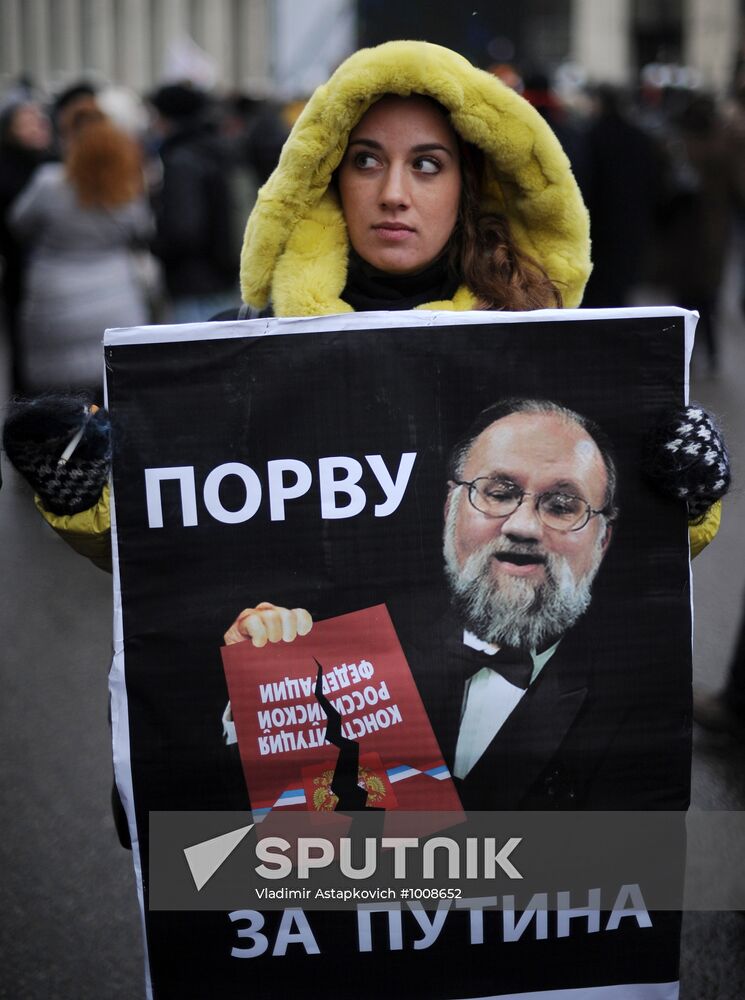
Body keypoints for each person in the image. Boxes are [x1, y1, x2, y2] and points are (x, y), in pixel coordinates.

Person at [1, 41, 728, 823]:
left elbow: (609, 567)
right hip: (315, 832)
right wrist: (88, 493)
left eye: (425, 165)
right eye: (365, 160)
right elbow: (170, 558)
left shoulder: (548, 349)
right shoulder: (240, 349)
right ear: (324, 177)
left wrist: (678, 494)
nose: (392, 193)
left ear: (468, 181)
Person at [224, 398, 658, 810]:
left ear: (603, 539)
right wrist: (258, 693)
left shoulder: (641, 701)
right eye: (499, 492)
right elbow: (270, 840)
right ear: (451, 507)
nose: (523, 526)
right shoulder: (355, 641)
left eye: (562, 506)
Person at [8, 108, 153, 399]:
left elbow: (18, 223)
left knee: (55, 405)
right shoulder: (126, 189)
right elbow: (143, 230)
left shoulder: (50, 184)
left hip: (52, 302)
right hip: (116, 300)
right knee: (110, 397)